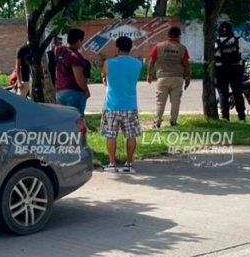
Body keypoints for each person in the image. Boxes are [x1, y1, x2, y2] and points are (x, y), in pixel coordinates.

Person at [100, 36, 144, 173]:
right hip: (130, 105)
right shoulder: (137, 64)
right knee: (131, 135)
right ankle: (129, 164)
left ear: (117, 47)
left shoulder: (108, 63)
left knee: (111, 135)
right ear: (131, 48)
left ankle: (112, 164)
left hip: (112, 106)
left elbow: (104, 76)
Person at [147, 26, 191, 128]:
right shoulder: (182, 48)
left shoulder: (159, 46)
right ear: (179, 36)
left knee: (160, 102)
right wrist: (188, 77)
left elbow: (151, 61)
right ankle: (173, 122)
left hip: (162, 78)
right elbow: (186, 64)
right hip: (177, 78)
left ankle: (157, 122)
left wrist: (150, 74)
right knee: (175, 102)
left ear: (168, 35)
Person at [214, 22, 247, 121]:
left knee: (223, 94)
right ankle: (241, 116)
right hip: (236, 70)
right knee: (237, 93)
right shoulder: (238, 40)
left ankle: (225, 117)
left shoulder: (215, 43)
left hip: (221, 70)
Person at [55, 28, 90, 114]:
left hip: (59, 91)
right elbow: (79, 78)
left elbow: (56, 46)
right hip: (73, 92)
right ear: (79, 40)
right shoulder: (75, 57)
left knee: (64, 119)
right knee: (76, 119)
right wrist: (86, 90)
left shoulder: (60, 51)